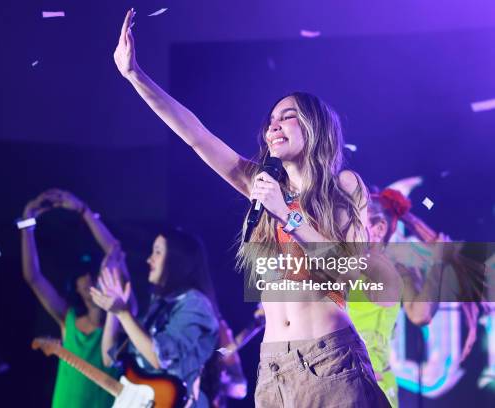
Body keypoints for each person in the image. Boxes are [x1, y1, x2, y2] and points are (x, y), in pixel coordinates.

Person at [112, 9, 390, 407]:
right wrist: (135, 75)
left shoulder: (344, 187)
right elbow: (196, 136)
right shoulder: (260, 184)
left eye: (288, 116)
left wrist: (287, 214)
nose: (273, 125)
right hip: (273, 368)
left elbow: (350, 273)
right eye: (271, 120)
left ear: (316, 128)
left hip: (329, 359)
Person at [348, 188, 485, 407]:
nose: (346, 228)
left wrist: (439, 263)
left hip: (373, 386)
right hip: (344, 382)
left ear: (378, 228)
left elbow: (420, 315)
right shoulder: (345, 263)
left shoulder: (397, 270)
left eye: (354, 222)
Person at [91, 228, 220, 407]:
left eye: (158, 252)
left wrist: (123, 313)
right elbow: (109, 358)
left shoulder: (195, 304)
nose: (149, 259)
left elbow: (159, 358)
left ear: (177, 260)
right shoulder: (158, 303)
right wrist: (113, 312)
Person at [20, 188, 121, 408]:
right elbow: (33, 277)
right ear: (75, 285)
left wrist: (84, 211)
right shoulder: (69, 321)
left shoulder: (118, 322)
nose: (88, 278)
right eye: (82, 275)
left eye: (93, 273)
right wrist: (27, 222)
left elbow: (115, 251)